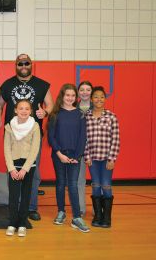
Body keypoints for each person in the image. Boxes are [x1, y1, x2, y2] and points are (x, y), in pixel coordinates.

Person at [0, 53, 53, 226]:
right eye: (20, 63)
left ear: (31, 64)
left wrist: (46, 112)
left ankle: (31, 208)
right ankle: (14, 208)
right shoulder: (8, 84)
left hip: (33, 135)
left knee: (32, 174)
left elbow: (50, 104)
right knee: (12, 172)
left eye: (27, 63)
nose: (23, 66)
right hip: (12, 135)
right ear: (16, 65)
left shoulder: (42, 84)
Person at [47, 84, 89, 233]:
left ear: (75, 97)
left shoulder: (80, 114)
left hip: (75, 156)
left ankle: (76, 217)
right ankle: (61, 212)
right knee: (60, 183)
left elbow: (82, 137)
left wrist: (76, 156)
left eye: (72, 95)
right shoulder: (55, 114)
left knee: (72, 185)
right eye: (67, 95)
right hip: (58, 154)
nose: (70, 98)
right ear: (62, 96)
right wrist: (59, 153)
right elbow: (51, 137)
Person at [84, 86, 120, 228]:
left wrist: (112, 158)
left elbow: (115, 139)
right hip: (93, 158)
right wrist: (87, 156)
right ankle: (98, 216)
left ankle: (107, 218)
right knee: (95, 185)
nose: (99, 99)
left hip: (106, 159)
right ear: (91, 99)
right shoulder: (86, 116)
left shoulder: (111, 116)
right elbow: (84, 139)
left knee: (106, 185)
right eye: (96, 97)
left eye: (102, 97)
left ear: (105, 99)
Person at [4, 99, 40, 237]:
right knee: (13, 196)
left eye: (27, 109)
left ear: (30, 111)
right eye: (21, 108)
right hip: (13, 165)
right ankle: (12, 223)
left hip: (28, 166)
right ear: (15, 110)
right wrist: (11, 168)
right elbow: (6, 147)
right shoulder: (9, 127)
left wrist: (25, 168)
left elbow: (35, 148)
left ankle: (22, 223)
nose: (24, 111)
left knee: (26, 195)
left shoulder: (35, 126)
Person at [77, 81, 93, 216]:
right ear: (78, 92)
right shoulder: (73, 108)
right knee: (79, 180)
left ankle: (97, 209)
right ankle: (81, 209)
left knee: (96, 181)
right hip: (79, 150)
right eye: (82, 89)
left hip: (95, 150)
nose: (85, 92)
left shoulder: (98, 108)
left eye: (88, 90)